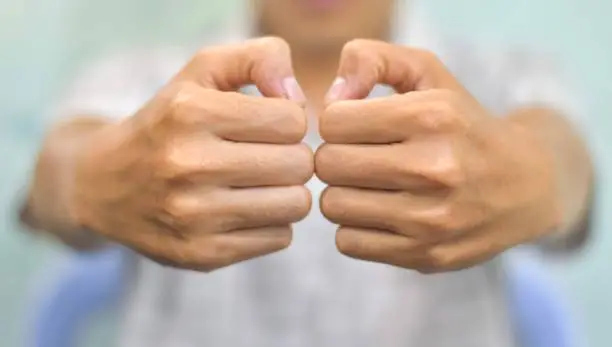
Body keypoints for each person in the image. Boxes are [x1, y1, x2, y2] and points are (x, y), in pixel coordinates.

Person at [19, 0, 595, 346]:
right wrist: (84, 181)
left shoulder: (498, 75)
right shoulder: (142, 78)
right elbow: (52, 179)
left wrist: (543, 178)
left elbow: (568, 169)